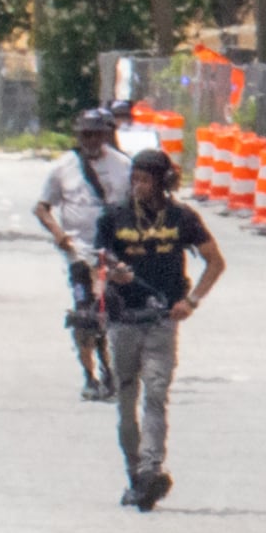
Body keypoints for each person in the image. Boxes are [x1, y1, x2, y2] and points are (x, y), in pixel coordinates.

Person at [96, 146, 224, 511]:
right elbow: (97, 263)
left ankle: (152, 467)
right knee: (125, 400)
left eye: (145, 179)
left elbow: (215, 261)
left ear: (162, 182)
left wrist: (192, 301)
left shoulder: (182, 218)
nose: (138, 185)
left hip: (162, 321)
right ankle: (135, 471)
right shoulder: (114, 218)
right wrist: (109, 276)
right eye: (133, 178)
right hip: (124, 320)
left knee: (155, 393)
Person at [34, 108, 134, 400]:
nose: (90, 140)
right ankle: (89, 375)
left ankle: (111, 370)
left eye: (95, 134)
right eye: (84, 135)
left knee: (112, 313)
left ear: (105, 135)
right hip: (79, 253)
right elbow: (42, 207)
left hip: (113, 255)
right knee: (84, 316)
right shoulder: (63, 167)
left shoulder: (123, 166)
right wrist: (59, 234)